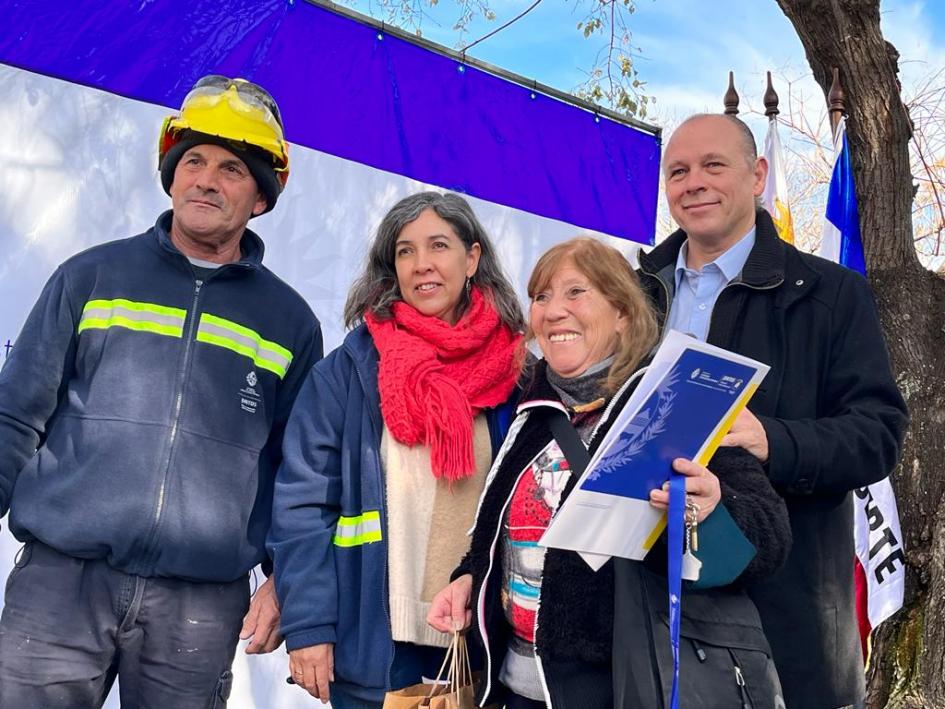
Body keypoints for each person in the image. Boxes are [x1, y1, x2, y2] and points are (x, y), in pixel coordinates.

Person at [0, 75, 323, 708]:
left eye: (232, 169)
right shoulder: (90, 277)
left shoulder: (290, 323)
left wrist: (286, 581)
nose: (206, 179)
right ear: (171, 176)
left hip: (198, 606)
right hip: (62, 584)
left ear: (261, 197)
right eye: (193, 161)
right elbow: (14, 417)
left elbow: (301, 471)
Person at [428, 237, 791, 708]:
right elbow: (505, 533)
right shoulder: (534, 411)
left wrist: (713, 508)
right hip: (515, 689)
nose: (554, 310)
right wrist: (470, 578)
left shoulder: (675, 405)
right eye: (542, 296)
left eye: (576, 292)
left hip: (621, 689)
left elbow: (771, 536)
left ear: (622, 313)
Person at [636, 113, 909, 708]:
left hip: (783, 622)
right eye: (678, 171)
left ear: (758, 175)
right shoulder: (634, 295)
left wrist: (770, 440)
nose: (694, 183)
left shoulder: (831, 294)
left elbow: (878, 434)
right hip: (648, 613)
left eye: (714, 165)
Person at [268, 191, 526, 707]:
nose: (422, 264)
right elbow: (303, 504)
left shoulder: (518, 374)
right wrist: (309, 624)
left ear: (472, 258)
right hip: (371, 645)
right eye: (405, 251)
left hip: (479, 644)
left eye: (438, 246)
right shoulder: (349, 372)